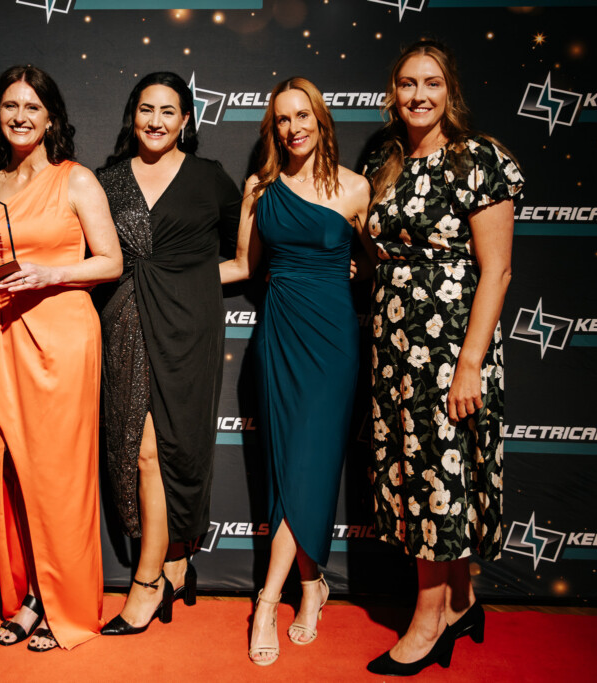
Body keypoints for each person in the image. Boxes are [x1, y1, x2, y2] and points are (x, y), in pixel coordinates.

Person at [361, 39, 523, 676]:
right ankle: (461, 602)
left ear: (448, 90)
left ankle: (427, 620)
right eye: (407, 83)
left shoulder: (479, 159)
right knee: (415, 473)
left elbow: (497, 270)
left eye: (431, 83)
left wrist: (469, 363)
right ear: (393, 93)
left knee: (439, 478)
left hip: (451, 344)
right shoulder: (385, 158)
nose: (418, 95)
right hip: (394, 345)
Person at [0, 65, 122, 652]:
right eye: (10, 105)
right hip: (2, 334)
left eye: (32, 106)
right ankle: (30, 597)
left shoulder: (76, 179)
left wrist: (49, 273)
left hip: (62, 338)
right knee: (10, 474)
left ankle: (67, 608)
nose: (21, 116)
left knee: (59, 477)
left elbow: (110, 261)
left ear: (50, 116)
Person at [220, 77, 369, 665]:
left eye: (303, 115)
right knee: (287, 469)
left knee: (312, 466)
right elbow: (242, 265)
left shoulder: (356, 189)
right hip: (278, 338)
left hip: (333, 343)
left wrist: (354, 267)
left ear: (321, 120)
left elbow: (382, 263)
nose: (293, 127)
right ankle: (311, 587)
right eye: (282, 119)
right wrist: (165, 276)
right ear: (273, 128)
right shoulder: (260, 188)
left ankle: (266, 599)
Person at [95, 72, 240, 636]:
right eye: (146, 109)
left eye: (168, 111)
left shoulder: (210, 178)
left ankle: (155, 575)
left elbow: (246, 253)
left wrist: (189, 283)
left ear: (186, 120)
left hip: (189, 329)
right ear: (133, 115)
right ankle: (167, 569)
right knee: (140, 452)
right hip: (125, 324)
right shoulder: (106, 181)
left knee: (176, 448)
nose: (156, 121)